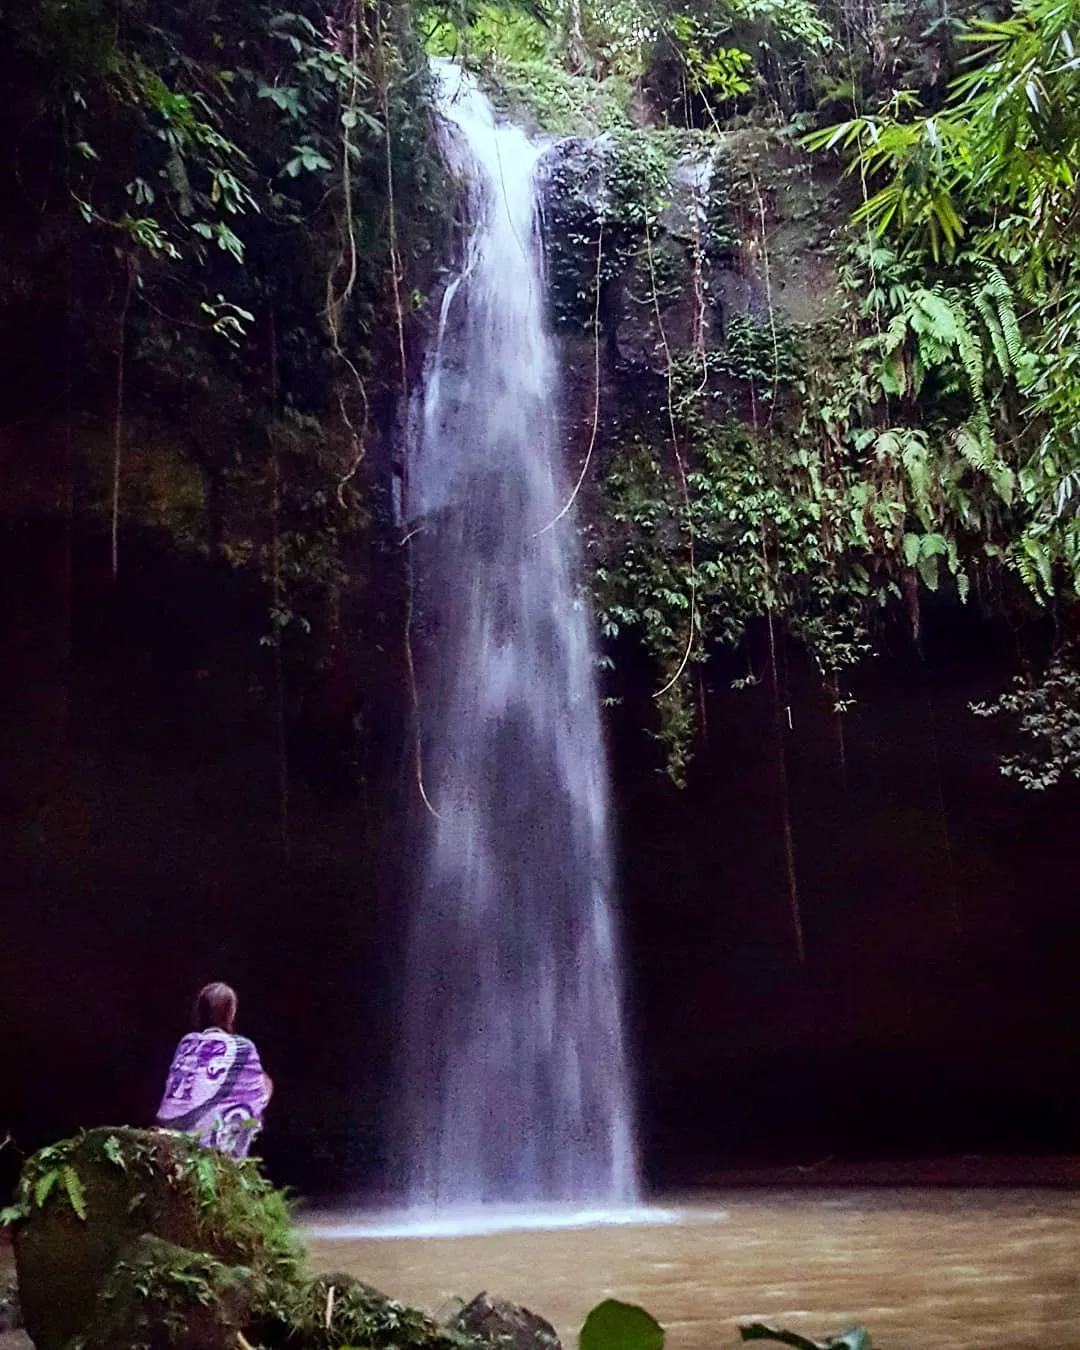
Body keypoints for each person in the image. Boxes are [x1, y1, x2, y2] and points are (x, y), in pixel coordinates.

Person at [155, 982, 273, 1159]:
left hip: (167, 1131)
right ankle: (230, 1160)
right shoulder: (243, 1047)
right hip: (203, 1141)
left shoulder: (186, 1044)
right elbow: (259, 1094)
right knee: (259, 1090)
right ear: (231, 1013)